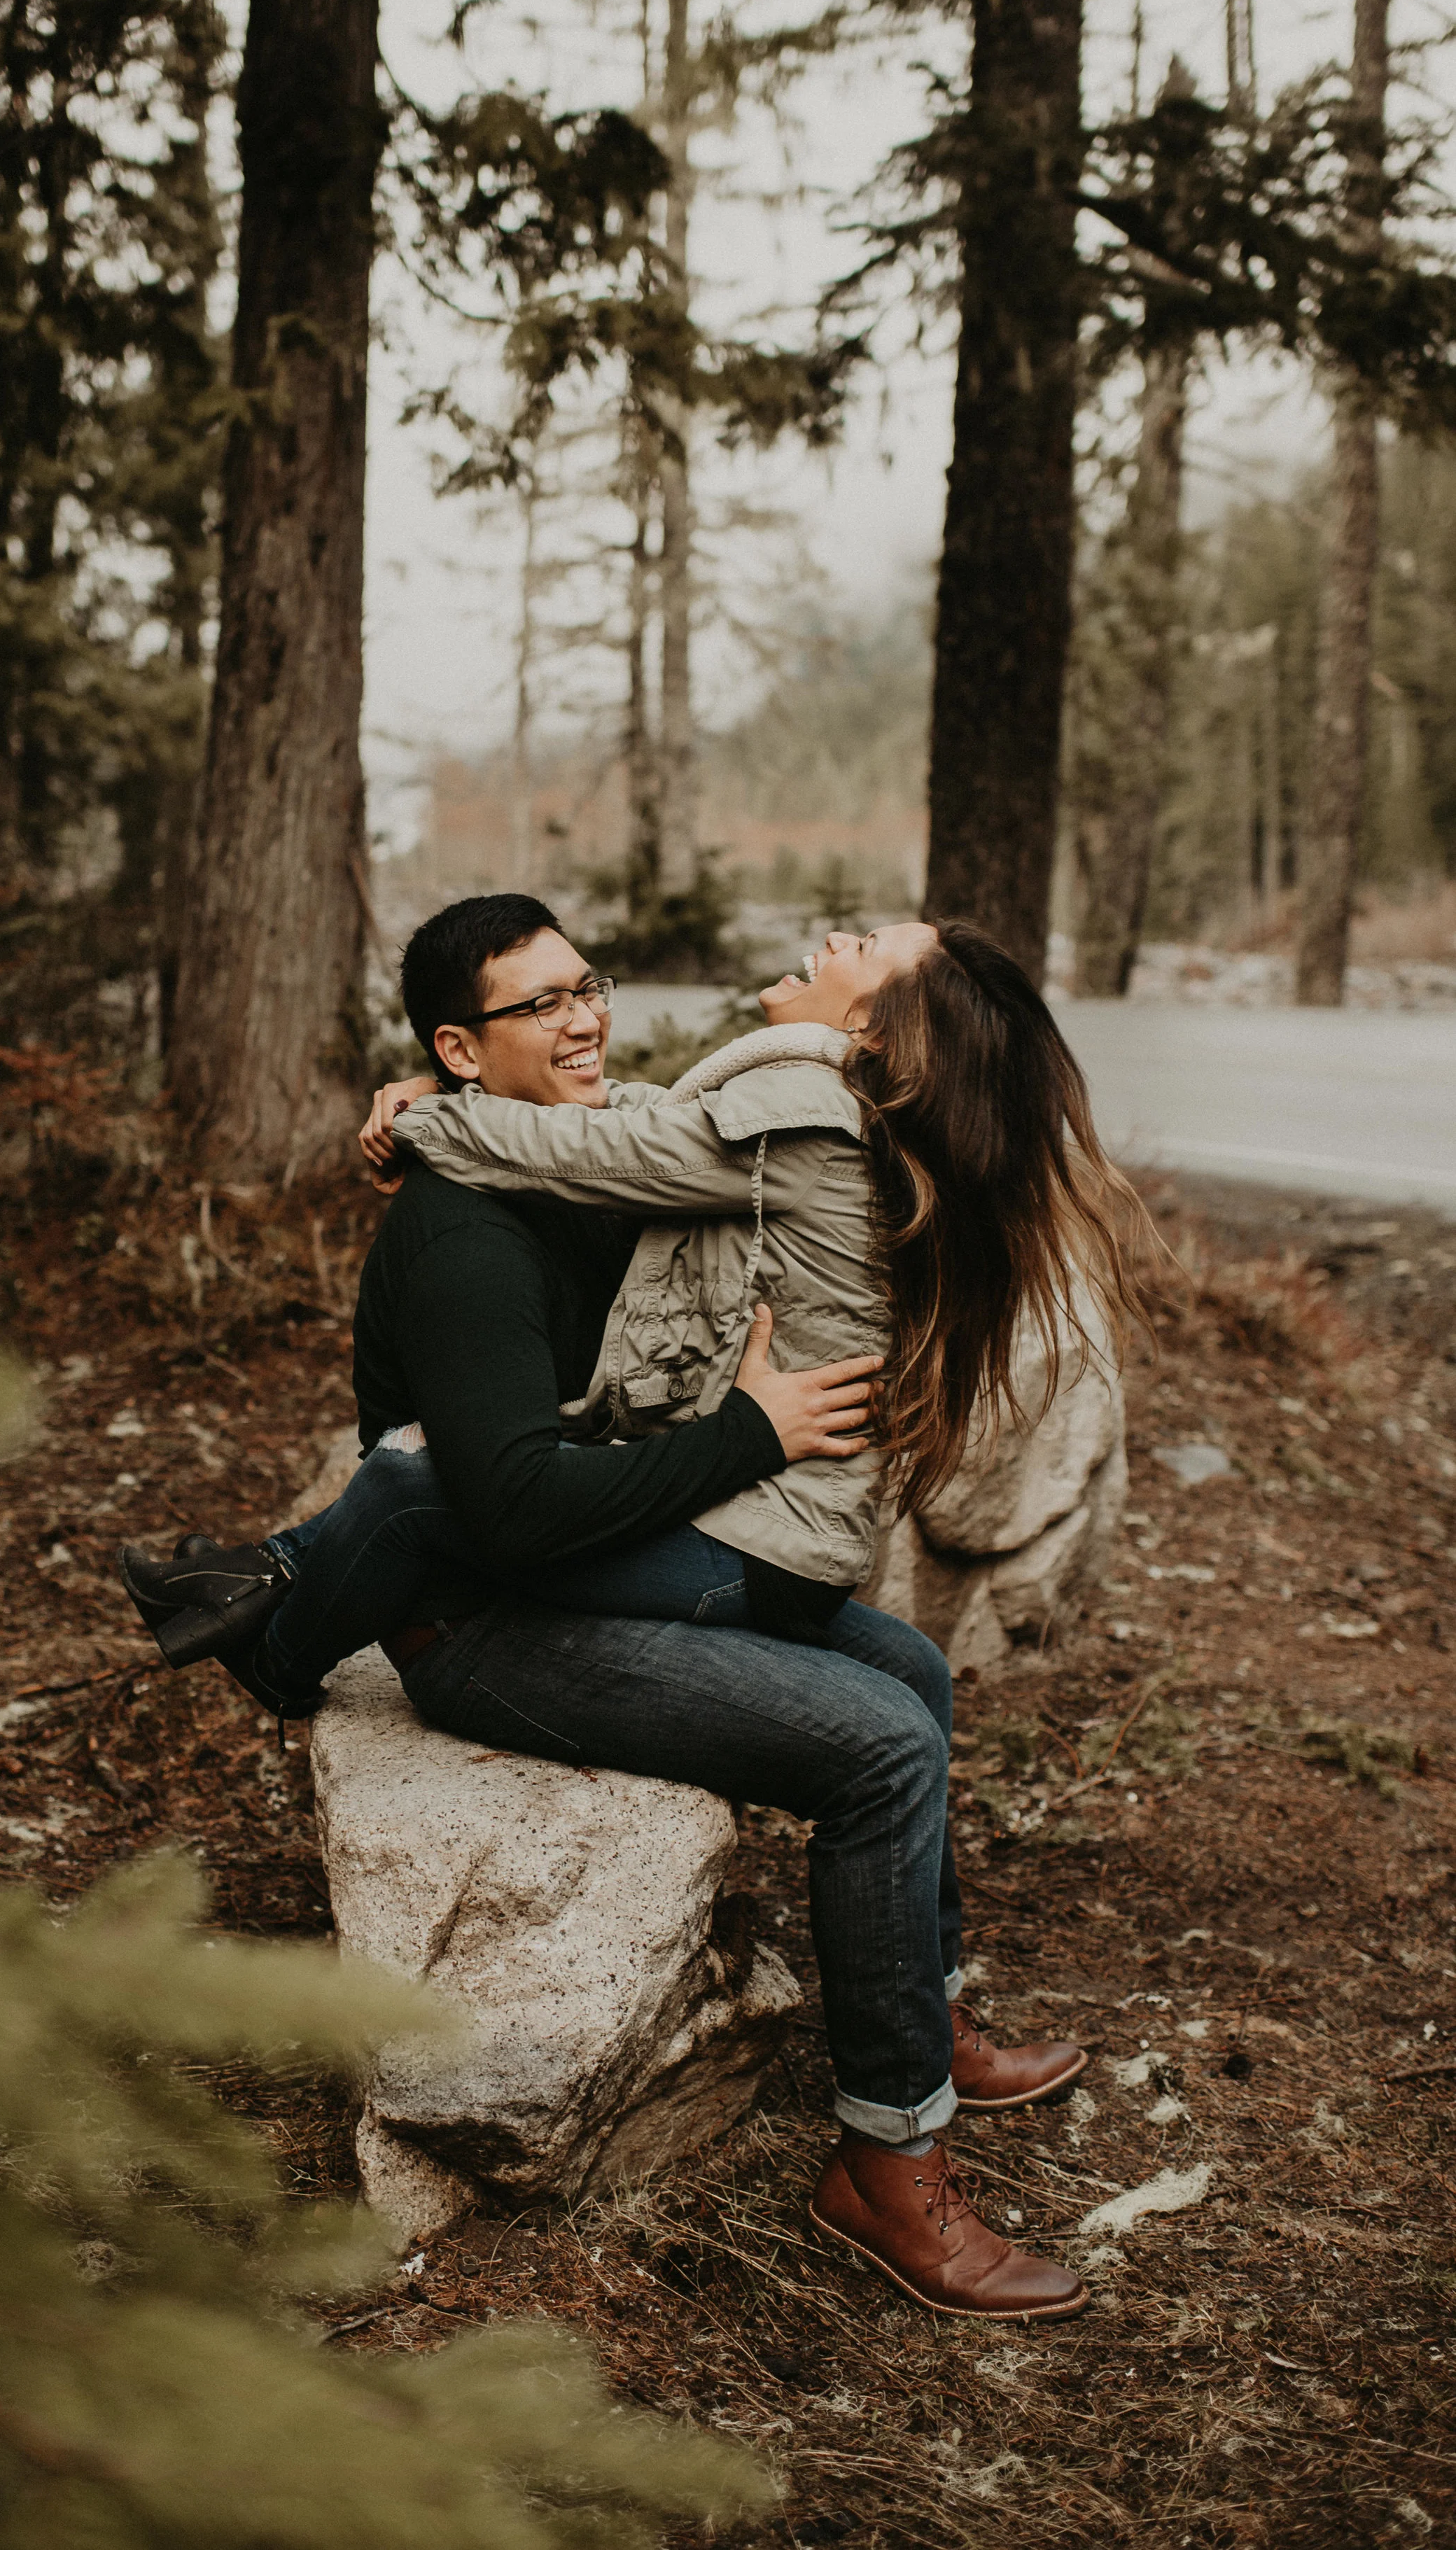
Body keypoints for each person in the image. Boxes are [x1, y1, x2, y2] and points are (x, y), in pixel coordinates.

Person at [119, 894, 1147, 2320]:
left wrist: (437, 1104)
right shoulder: (470, 1234)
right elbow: (510, 1512)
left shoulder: (613, 1164)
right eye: (541, 1004)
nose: (585, 1017)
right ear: (466, 1047)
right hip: (492, 1616)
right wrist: (749, 1432)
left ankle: (923, 2018)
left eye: (585, 985)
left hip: (606, 1557)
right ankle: (887, 2161)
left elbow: (647, 1143)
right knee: (876, 1748)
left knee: (908, 1671)